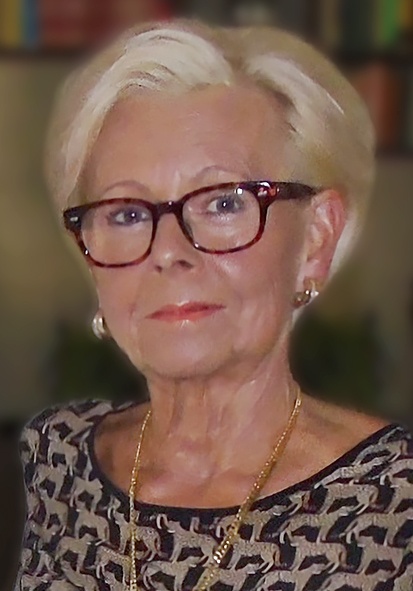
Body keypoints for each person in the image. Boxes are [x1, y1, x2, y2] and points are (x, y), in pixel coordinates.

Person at [14, 19, 413, 591]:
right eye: (126, 213)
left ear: (316, 238)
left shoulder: (393, 505)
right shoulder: (56, 458)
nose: (168, 252)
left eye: (224, 203)